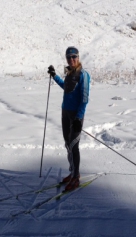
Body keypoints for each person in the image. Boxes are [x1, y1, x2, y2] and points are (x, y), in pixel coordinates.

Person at [47, 46, 90, 191]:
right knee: (67, 144)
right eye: (69, 57)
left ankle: (76, 176)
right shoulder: (70, 73)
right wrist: (54, 76)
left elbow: (84, 99)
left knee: (74, 145)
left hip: (75, 115)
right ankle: (72, 173)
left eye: (74, 57)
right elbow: (65, 87)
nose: (71, 59)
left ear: (78, 57)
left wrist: (78, 118)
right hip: (65, 114)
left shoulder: (83, 75)